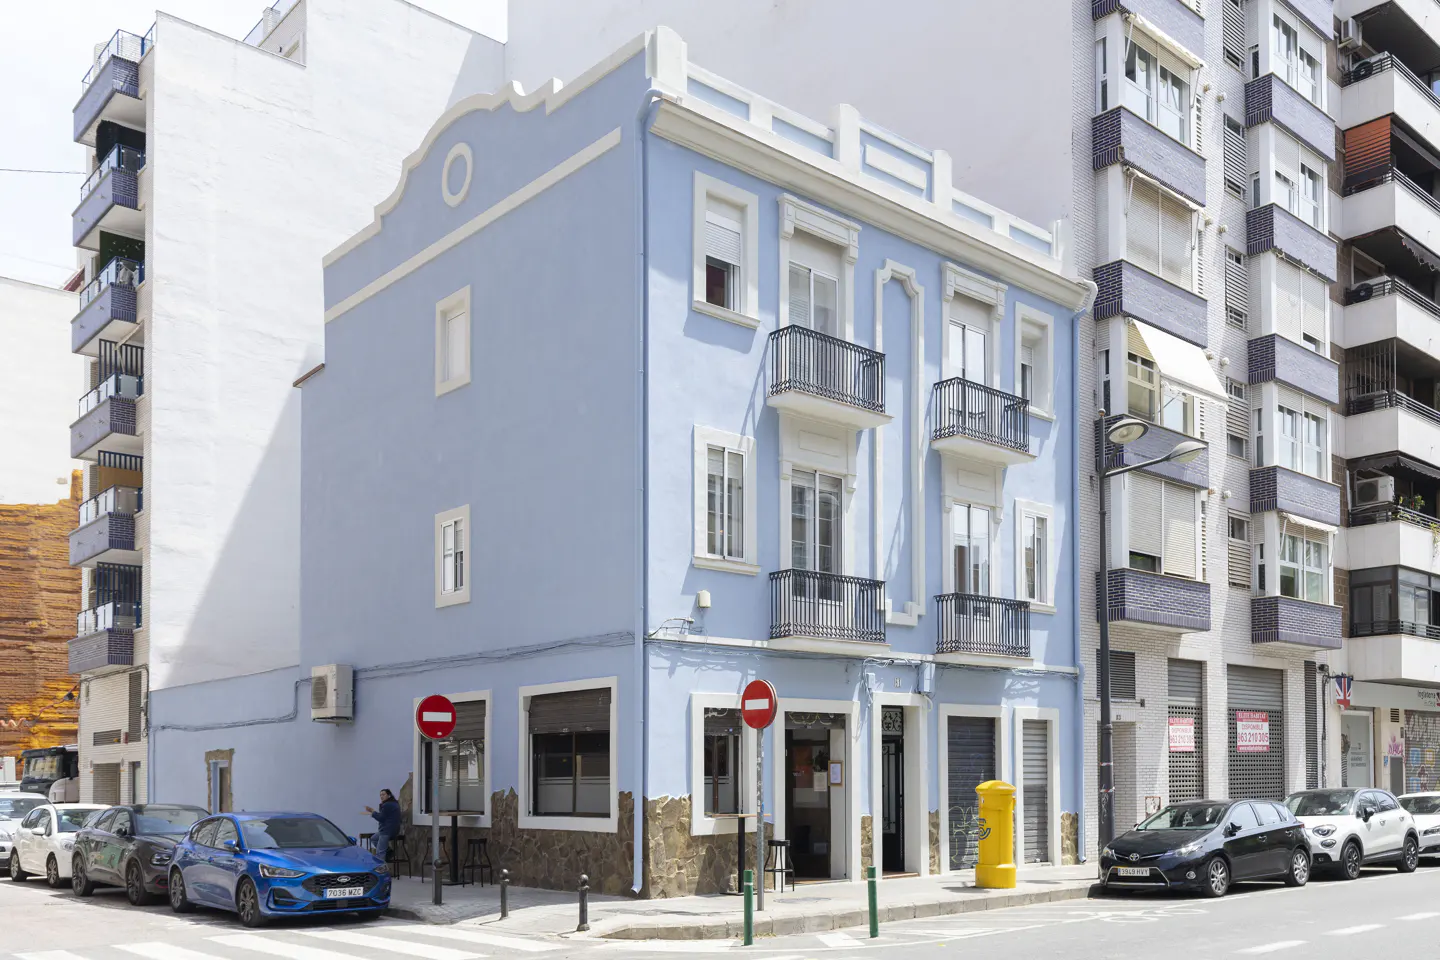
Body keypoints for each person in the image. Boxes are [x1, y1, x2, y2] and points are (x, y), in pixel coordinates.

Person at [365, 789, 402, 865]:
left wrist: (373, 813)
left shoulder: (386, 805)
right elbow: (385, 816)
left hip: (386, 831)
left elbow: (381, 818)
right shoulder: (394, 803)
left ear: (389, 795)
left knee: (380, 853)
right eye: (380, 795)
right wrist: (373, 811)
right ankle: (389, 852)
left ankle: (381, 869)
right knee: (374, 838)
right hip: (394, 830)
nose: (381, 796)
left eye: (383, 794)